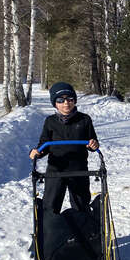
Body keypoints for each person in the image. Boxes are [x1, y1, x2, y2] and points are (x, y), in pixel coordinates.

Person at [29, 82, 99, 214]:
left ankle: (83, 232)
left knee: (81, 204)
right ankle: (50, 232)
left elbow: (92, 142)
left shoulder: (84, 120)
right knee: (50, 205)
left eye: (70, 99)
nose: (66, 103)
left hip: (79, 169)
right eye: (61, 100)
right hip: (56, 168)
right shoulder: (50, 121)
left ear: (74, 101)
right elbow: (44, 144)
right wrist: (37, 152)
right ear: (55, 103)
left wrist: (93, 145)